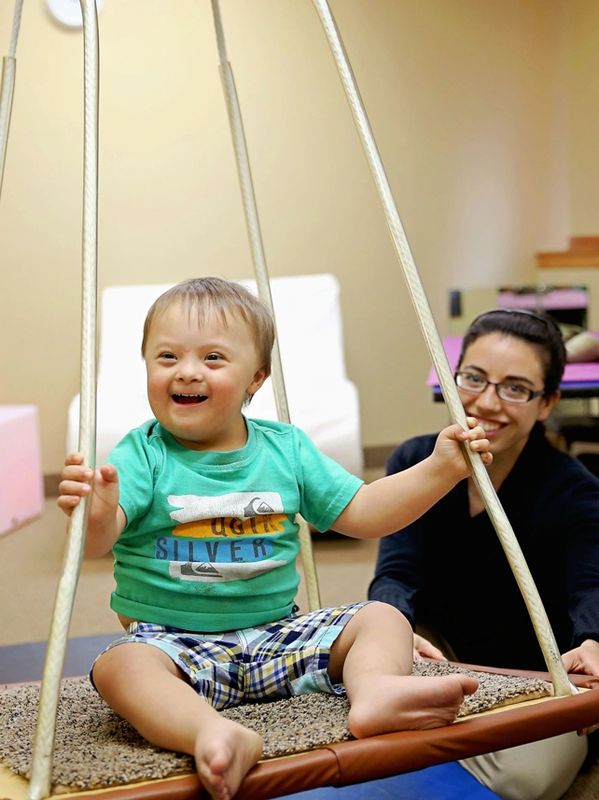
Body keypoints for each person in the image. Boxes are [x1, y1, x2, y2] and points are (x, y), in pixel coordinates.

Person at [57, 277, 491, 800]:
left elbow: (364, 511)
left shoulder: (286, 450)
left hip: (278, 639)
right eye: (166, 356)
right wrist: (96, 513)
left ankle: (374, 692)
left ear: (255, 379)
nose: (187, 371)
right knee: (118, 665)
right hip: (175, 646)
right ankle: (210, 732)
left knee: (384, 617)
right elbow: (100, 541)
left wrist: (441, 470)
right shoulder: (141, 454)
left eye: (213, 358)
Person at [369, 307, 599, 800]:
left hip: (538, 678)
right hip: (440, 662)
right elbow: (396, 572)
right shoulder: (416, 461)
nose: (487, 402)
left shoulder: (574, 491)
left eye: (515, 388)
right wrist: (390, 628)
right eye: (473, 378)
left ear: (547, 402)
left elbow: (591, 588)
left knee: (519, 780)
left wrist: (593, 640)